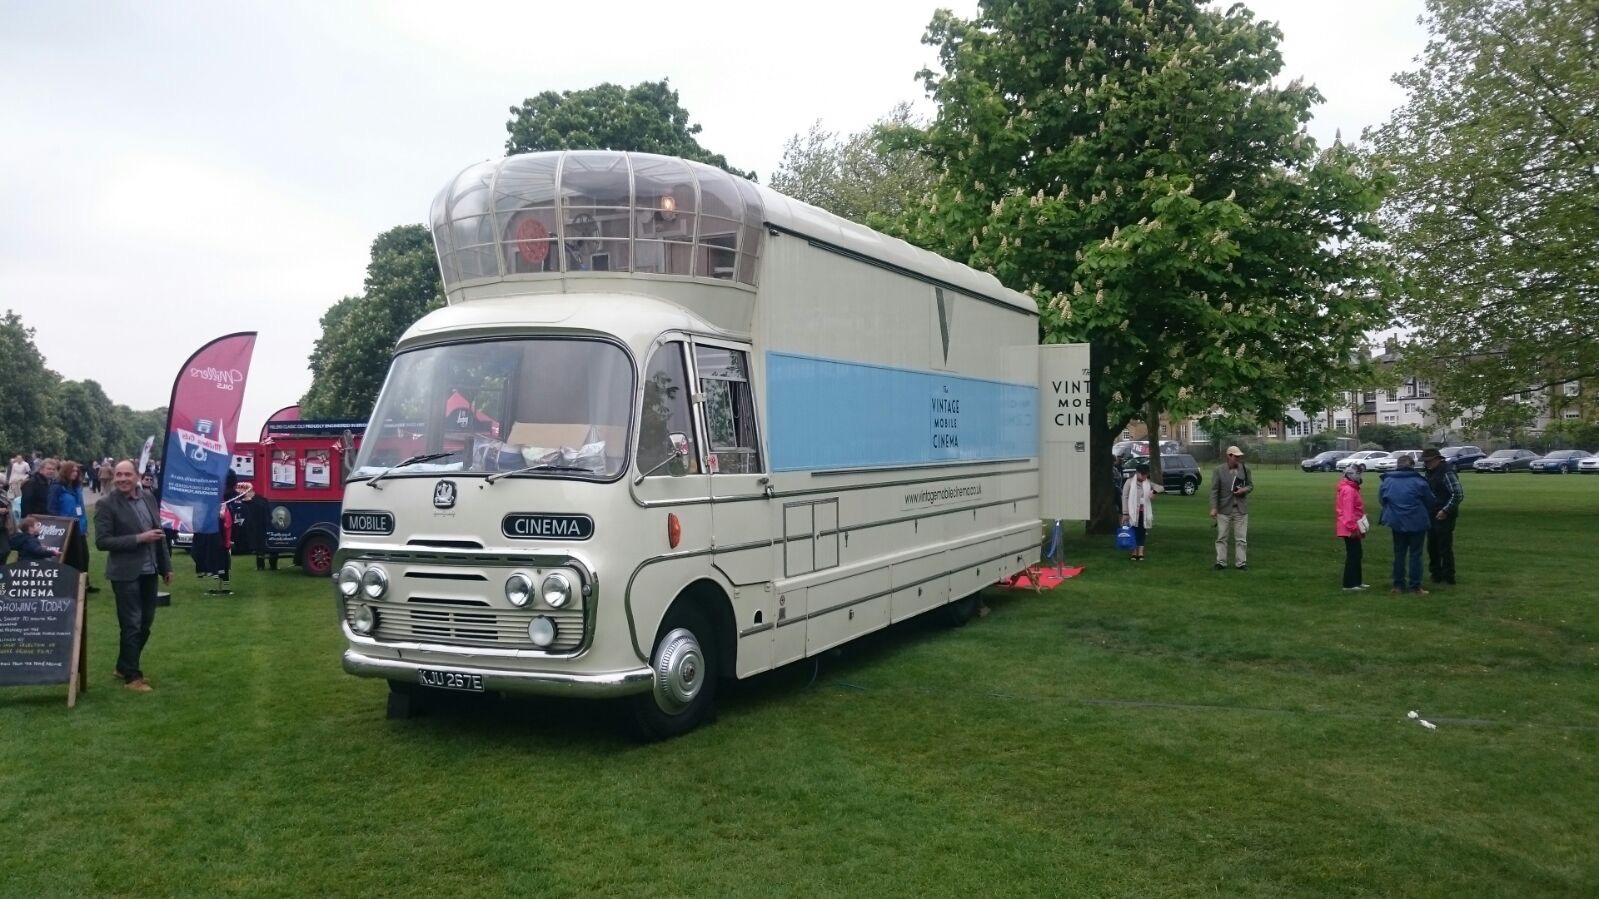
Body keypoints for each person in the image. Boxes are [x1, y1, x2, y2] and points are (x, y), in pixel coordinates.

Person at [95, 460, 173, 693]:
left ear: (137, 476)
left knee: (145, 623)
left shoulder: (148, 498)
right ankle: (132, 677)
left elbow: (158, 534)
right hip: (125, 573)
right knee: (132, 624)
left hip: (150, 571)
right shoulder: (106, 504)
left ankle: (123, 665)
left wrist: (166, 566)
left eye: (127, 474)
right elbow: (102, 542)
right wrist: (139, 538)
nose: (122, 479)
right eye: (118, 475)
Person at [1378, 454, 1436, 595]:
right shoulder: (1420, 482)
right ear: (1411, 465)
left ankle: (1398, 585)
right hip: (1417, 521)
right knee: (1416, 554)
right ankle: (1415, 586)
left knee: (1399, 553)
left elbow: (1382, 500)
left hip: (1396, 521)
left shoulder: (1387, 481)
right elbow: (1430, 501)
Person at [48, 461, 99, 592]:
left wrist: (85, 526)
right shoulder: (57, 487)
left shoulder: (76, 487)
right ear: (65, 471)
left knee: (84, 557)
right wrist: (58, 525)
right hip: (66, 527)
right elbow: (51, 508)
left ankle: (84, 584)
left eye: (77, 471)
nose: (75, 473)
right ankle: (72, 586)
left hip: (79, 527)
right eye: (72, 471)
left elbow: (80, 508)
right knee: (72, 558)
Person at [1420, 448, 1465, 586]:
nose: (1426, 464)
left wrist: (1445, 510)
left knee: (1444, 546)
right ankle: (1436, 574)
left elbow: (1458, 494)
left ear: (1437, 459)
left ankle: (1448, 576)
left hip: (1445, 515)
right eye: (1425, 462)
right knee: (1432, 546)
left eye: (1428, 461)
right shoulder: (1430, 472)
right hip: (1431, 513)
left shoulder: (1447, 472)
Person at [1208, 445, 1254, 570]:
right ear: (1228, 456)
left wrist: (1244, 490)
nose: (1238, 459)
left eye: (1239, 457)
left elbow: (1251, 486)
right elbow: (1214, 490)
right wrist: (1214, 507)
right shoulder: (1218, 470)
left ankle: (1241, 563)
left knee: (1241, 538)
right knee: (1222, 537)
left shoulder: (1245, 469)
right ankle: (1221, 562)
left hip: (1240, 508)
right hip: (1224, 508)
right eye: (1236, 456)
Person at [1334, 464, 1370, 591]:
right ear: (1349, 475)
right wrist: (1352, 527)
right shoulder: (1349, 490)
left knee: (1356, 554)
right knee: (1353, 555)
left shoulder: (1351, 489)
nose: (1360, 476)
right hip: (1350, 527)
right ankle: (1349, 584)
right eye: (1358, 473)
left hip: (1351, 525)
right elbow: (1348, 511)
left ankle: (1357, 581)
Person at [1121, 461, 1157, 562]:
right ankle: (1133, 552)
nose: (1145, 476)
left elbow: (1159, 487)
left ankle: (1140, 552)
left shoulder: (1148, 483)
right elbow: (1124, 497)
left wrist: (1153, 492)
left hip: (1143, 512)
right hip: (1132, 512)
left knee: (1142, 531)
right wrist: (1125, 513)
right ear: (1137, 473)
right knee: (1132, 531)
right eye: (1143, 474)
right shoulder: (1129, 482)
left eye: (1146, 474)